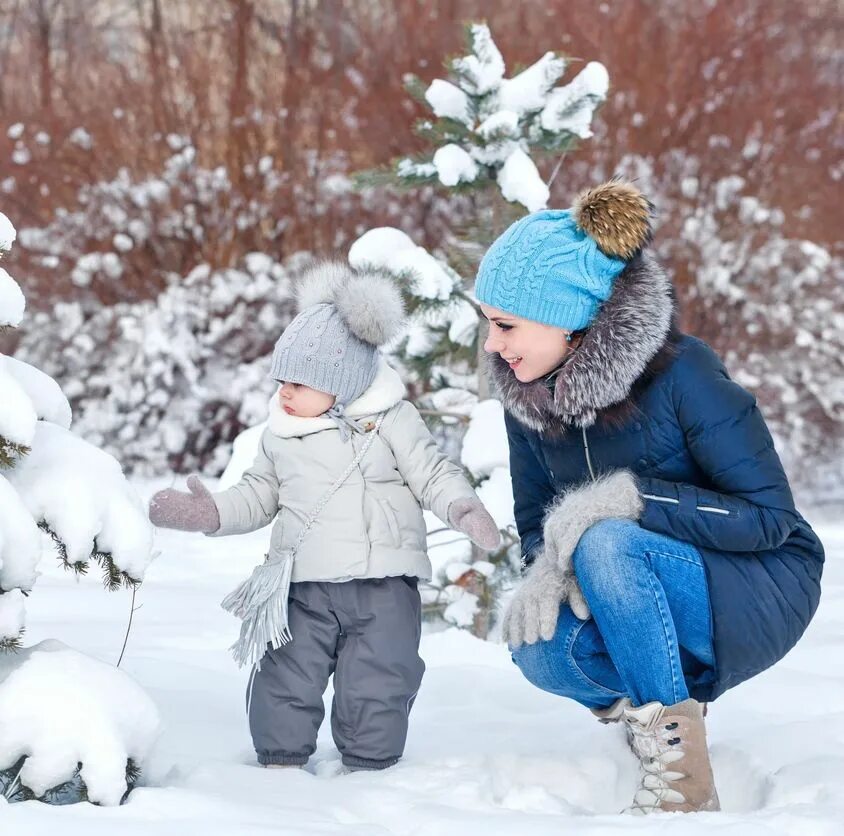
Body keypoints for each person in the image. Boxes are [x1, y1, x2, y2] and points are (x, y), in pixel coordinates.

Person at [474, 180, 824, 814]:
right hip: (637, 584)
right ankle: (660, 707)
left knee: (606, 538)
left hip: (758, 582)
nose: (493, 344)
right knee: (537, 641)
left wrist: (632, 500)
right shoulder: (526, 397)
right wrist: (549, 571)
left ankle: (682, 779)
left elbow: (772, 521)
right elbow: (535, 520)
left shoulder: (684, 372)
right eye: (487, 324)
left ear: (569, 315)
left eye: (506, 325)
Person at [148, 262, 500, 772]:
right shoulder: (281, 435)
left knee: (382, 677)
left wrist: (462, 508)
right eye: (282, 379)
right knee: (286, 673)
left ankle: (370, 768)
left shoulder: (393, 423)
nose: (284, 392)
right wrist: (209, 511)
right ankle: (280, 760)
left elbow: (432, 473)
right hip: (303, 586)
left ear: (343, 383)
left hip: (385, 585)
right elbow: (256, 494)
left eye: (299, 382)